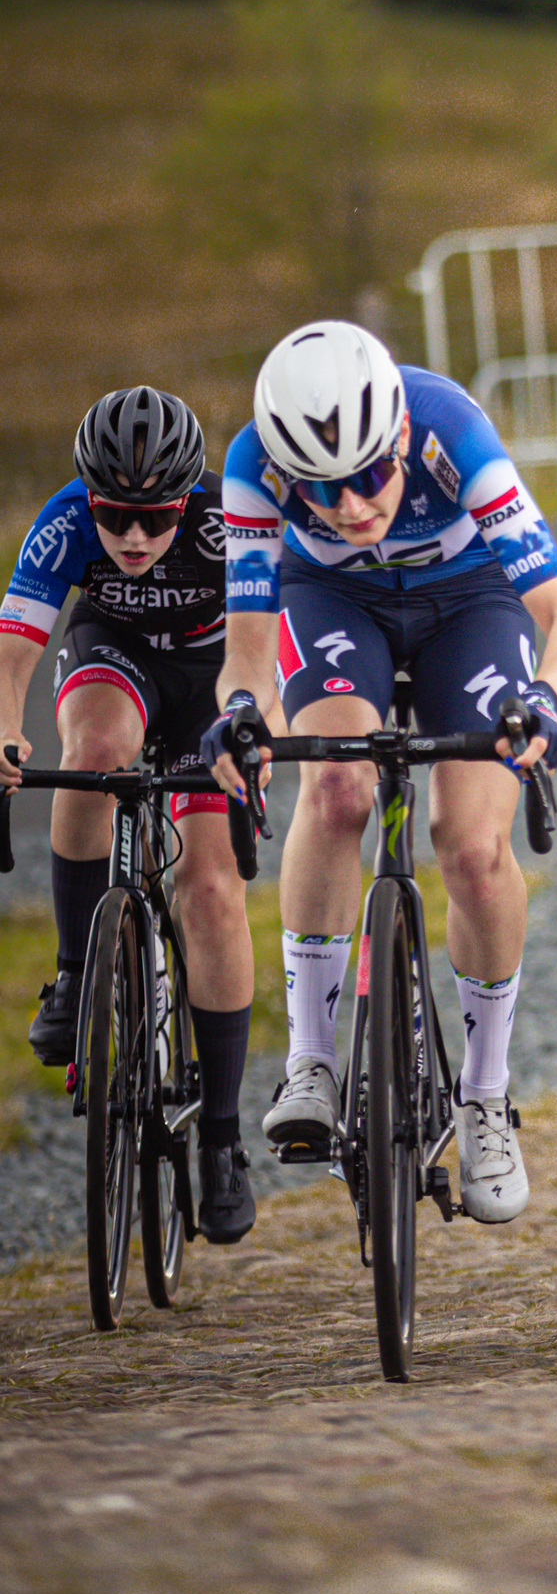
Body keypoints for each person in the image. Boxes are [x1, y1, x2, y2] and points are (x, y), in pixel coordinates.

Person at [209, 321, 557, 1225]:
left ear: (397, 444)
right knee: (337, 785)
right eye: (324, 489)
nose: (351, 507)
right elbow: (249, 659)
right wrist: (239, 720)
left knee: (469, 842)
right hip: (334, 599)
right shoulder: (249, 468)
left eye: (371, 478)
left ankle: (486, 1096)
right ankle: (311, 1054)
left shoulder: (450, 431)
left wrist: (542, 702)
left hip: (471, 598)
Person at [0, 389, 259, 1242]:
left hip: (213, 683)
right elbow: (15, 645)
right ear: (91, 498)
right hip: (114, 652)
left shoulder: (229, 521)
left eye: (154, 518)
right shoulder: (66, 517)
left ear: (186, 499)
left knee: (212, 887)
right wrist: (4, 731)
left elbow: (278, 634)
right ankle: (78, 973)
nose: (135, 538)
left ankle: (221, 1138)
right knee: (94, 752)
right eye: (116, 517)